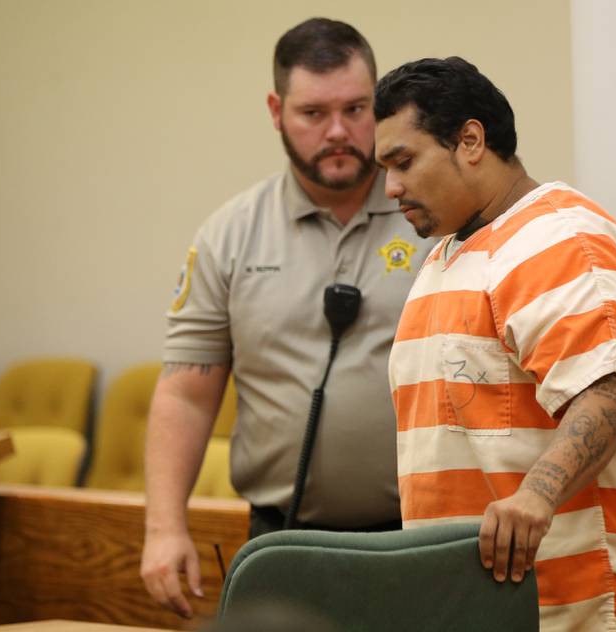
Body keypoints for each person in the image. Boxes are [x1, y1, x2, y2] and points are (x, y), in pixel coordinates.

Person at [374, 57, 616, 630]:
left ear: (470, 140)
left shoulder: (560, 237)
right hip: (487, 605)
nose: (391, 187)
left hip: (585, 608)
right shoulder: (448, 255)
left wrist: (537, 496)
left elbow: (612, 390)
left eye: (404, 162)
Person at [141, 19, 433, 619]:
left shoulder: (434, 217)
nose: (338, 132)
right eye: (312, 113)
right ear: (276, 110)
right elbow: (187, 396)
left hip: (424, 534)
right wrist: (164, 527)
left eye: (356, 109)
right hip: (282, 538)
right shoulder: (230, 234)